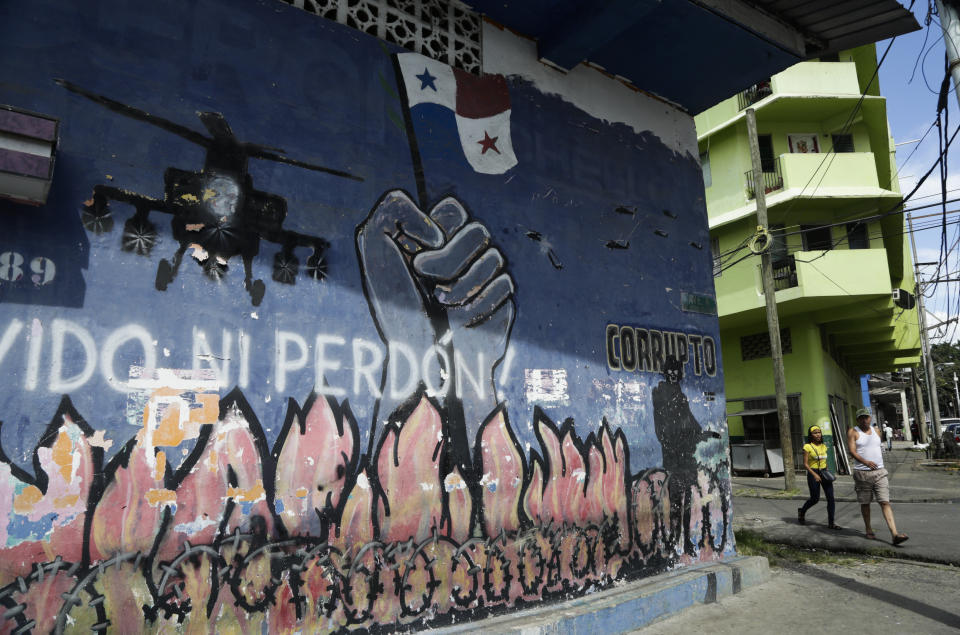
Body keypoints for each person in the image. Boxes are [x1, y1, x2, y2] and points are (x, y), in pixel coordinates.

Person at [847, 408, 908, 545]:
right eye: (861, 418)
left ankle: (894, 534)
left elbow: (878, 447)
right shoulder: (853, 432)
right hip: (862, 473)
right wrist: (866, 462)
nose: (864, 420)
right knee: (865, 503)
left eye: (866, 417)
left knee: (885, 502)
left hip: (880, 472)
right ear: (857, 419)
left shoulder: (877, 431)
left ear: (870, 418)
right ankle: (868, 529)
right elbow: (852, 451)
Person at [798, 425, 841, 529]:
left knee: (831, 498)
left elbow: (824, 460)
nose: (818, 434)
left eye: (819, 432)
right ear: (811, 435)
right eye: (815, 433)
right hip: (813, 473)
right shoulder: (807, 447)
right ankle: (802, 511)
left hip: (824, 472)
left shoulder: (823, 446)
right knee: (815, 498)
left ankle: (831, 523)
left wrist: (826, 471)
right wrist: (815, 474)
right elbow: (805, 464)